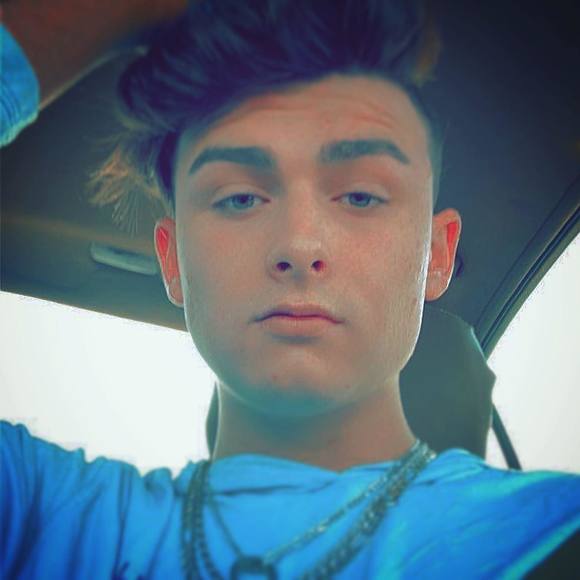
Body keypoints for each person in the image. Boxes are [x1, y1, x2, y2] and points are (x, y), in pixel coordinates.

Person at [1, 1, 579, 578]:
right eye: (240, 198)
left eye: (360, 196)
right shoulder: (43, 518)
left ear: (437, 255)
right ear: (173, 260)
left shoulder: (553, 532)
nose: (299, 245)